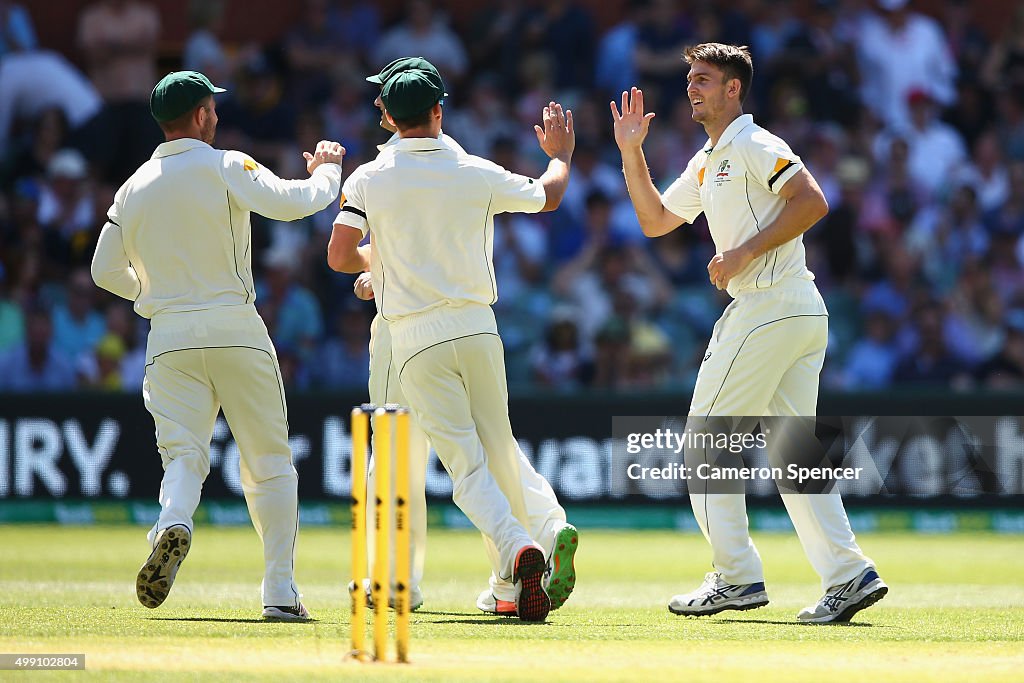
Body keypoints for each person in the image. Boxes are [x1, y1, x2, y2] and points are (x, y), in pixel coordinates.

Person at [610, 43, 887, 623]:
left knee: (705, 441)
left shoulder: (757, 143)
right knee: (796, 456)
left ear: (734, 89)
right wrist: (631, 152)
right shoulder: (709, 158)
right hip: (789, 309)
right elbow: (656, 220)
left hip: (772, 305)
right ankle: (849, 574)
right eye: (690, 78)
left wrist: (741, 253)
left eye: (705, 79)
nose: (692, 88)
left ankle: (735, 577)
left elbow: (813, 200)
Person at [90, 70, 344, 621]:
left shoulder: (132, 187)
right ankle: (279, 592)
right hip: (235, 328)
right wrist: (328, 173)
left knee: (184, 455)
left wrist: (149, 294)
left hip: (169, 336)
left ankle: (175, 520)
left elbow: (103, 269)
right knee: (270, 462)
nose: (218, 117)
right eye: (213, 108)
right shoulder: (226, 163)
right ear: (201, 115)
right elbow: (294, 202)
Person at [328, 64, 577, 622]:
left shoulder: (369, 177)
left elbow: (340, 256)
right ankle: (513, 577)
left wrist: (386, 263)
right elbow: (548, 196)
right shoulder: (475, 170)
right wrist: (561, 155)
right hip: (480, 329)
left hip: (415, 337)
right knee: (499, 456)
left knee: (457, 467)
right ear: (440, 111)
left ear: (388, 117)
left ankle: (516, 550)